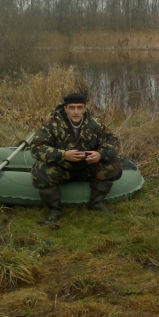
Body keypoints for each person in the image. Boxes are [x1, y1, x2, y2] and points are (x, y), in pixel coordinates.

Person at [31, 91, 123, 225]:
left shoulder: (95, 124)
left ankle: (96, 203)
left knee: (113, 164)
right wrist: (62, 154)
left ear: (84, 109)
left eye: (79, 108)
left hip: (87, 166)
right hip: (63, 166)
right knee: (40, 169)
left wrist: (100, 154)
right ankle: (55, 211)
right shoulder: (52, 124)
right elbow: (36, 147)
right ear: (65, 109)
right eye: (72, 108)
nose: (76, 112)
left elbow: (112, 141)